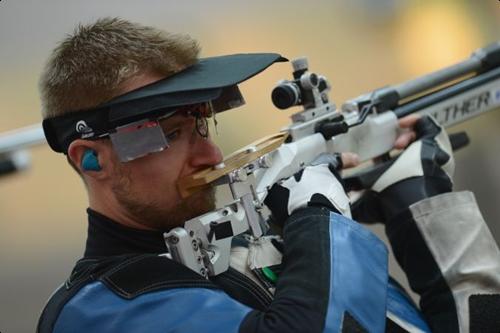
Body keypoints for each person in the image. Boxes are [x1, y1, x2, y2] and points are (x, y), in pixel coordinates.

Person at [37, 18, 500, 332]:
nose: (209, 152)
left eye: (203, 124)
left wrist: (421, 207)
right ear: (90, 159)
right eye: (172, 133)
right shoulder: (101, 308)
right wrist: (319, 217)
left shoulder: (266, 254)